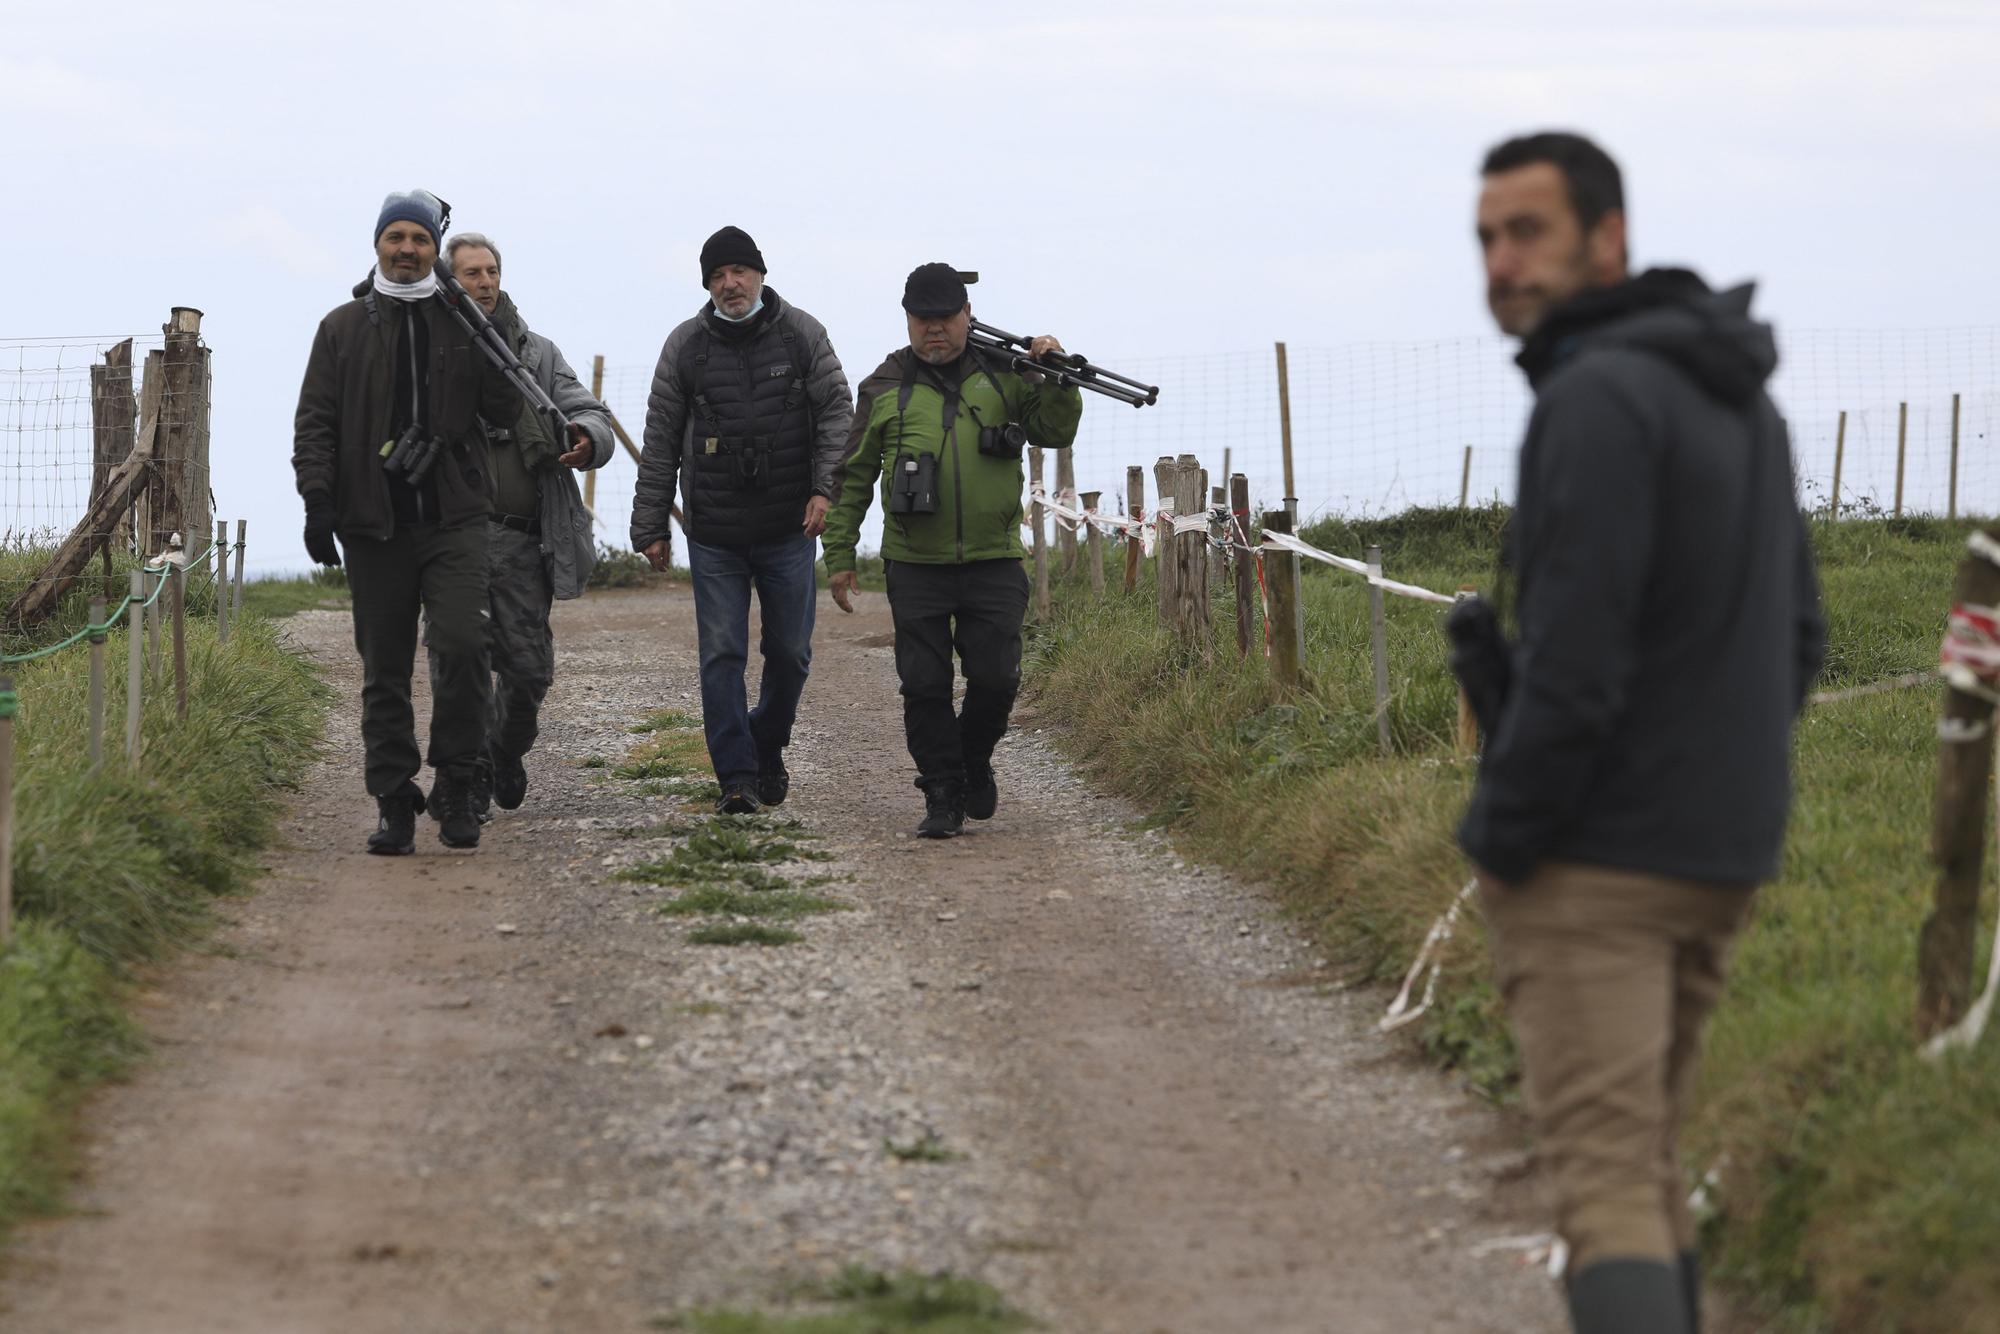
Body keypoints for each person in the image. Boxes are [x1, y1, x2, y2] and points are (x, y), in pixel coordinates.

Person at [1457, 132, 1824, 1334]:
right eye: (1486, 239)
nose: (1502, 262)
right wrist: (1713, 781)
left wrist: (1501, 840)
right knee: (1647, 1162)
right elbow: (1797, 641)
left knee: (1605, 1182)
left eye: (1528, 233)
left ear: (1606, 237)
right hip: (1718, 848)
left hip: (1596, 861)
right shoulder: (1738, 392)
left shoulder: (1596, 397)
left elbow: (1574, 663)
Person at [292, 190, 522, 854]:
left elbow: (505, 409)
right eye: (395, 237)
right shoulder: (342, 327)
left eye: (419, 239)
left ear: (432, 249)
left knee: (461, 644)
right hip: (373, 521)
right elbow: (316, 423)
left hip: (454, 516)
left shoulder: (465, 322)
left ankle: (457, 781)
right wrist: (317, 502)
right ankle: (394, 797)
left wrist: (491, 321)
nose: (407, 249)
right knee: (384, 666)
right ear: (377, 246)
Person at [822, 264, 1081, 838]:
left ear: (967, 317)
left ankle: (971, 759)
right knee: (924, 683)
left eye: (944, 319)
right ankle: (941, 791)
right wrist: (839, 553)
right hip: (915, 565)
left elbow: (1055, 431)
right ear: (908, 320)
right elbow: (851, 475)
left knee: (996, 678)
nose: (933, 331)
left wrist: (1057, 374)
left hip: (993, 557)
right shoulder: (885, 387)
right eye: (922, 320)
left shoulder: (1006, 377)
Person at [631, 226, 852, 814]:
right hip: (716, 535)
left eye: (740, 272)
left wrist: (824, 490)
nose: (730, 284)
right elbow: (659, 443)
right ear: (707, 284)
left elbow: (837, 414)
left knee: (792, 653)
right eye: (718, 275)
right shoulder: (685, 346)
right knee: (722, 655)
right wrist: (650, 525)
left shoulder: (804, 335)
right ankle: (736, 777)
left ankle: (767, 740)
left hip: (788, 529)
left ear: (760, 274)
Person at [436, 231, 613, 815]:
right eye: (471, 274)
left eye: (491, 271)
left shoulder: (535, 352)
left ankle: (503, 750)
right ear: (448, 280)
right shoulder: (428, 347)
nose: (485, 283)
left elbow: (584, 406)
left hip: (522, 540)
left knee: (529, 673)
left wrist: (588, 438)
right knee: (457, 662)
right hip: (450, 539)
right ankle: (467, 777)